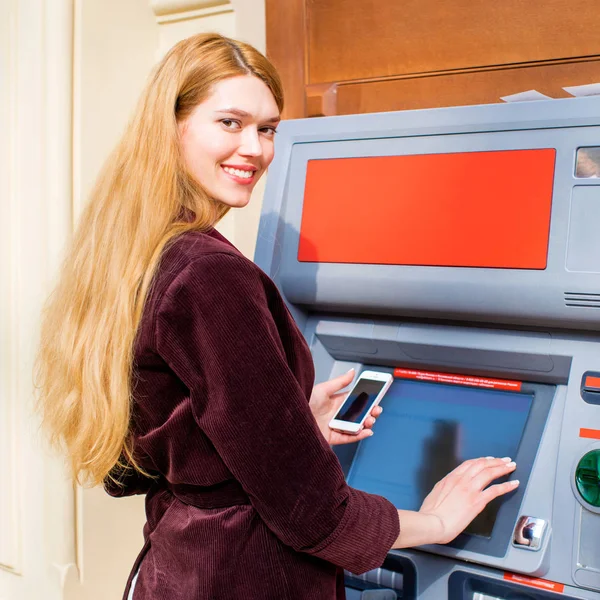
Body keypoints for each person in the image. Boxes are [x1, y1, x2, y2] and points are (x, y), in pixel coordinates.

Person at [36, 33, 519, 600]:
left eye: (267, 129)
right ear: (172, 126)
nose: (255, 149)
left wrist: (286, 426)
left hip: (180, 567)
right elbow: (310, 511)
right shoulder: (210, 274)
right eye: (231, 123)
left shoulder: (140, 253)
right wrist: (435, 522)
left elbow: (138, 459)